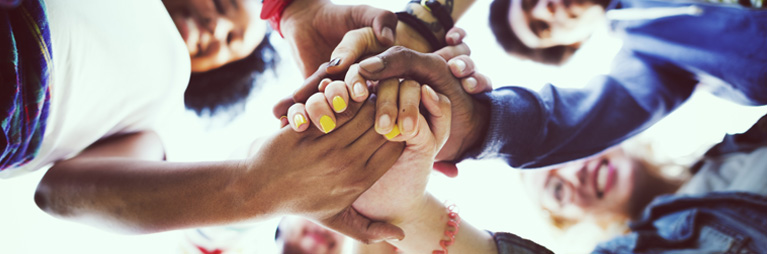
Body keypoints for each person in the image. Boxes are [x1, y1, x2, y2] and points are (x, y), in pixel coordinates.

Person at [0, 0, 411, 243]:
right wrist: (290, 8)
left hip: (17, 109)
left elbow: (58, 193)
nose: (217, 27)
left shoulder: (156, 112)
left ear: (217, 75)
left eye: (230, 43)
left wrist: (256, 186)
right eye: (221, 3)